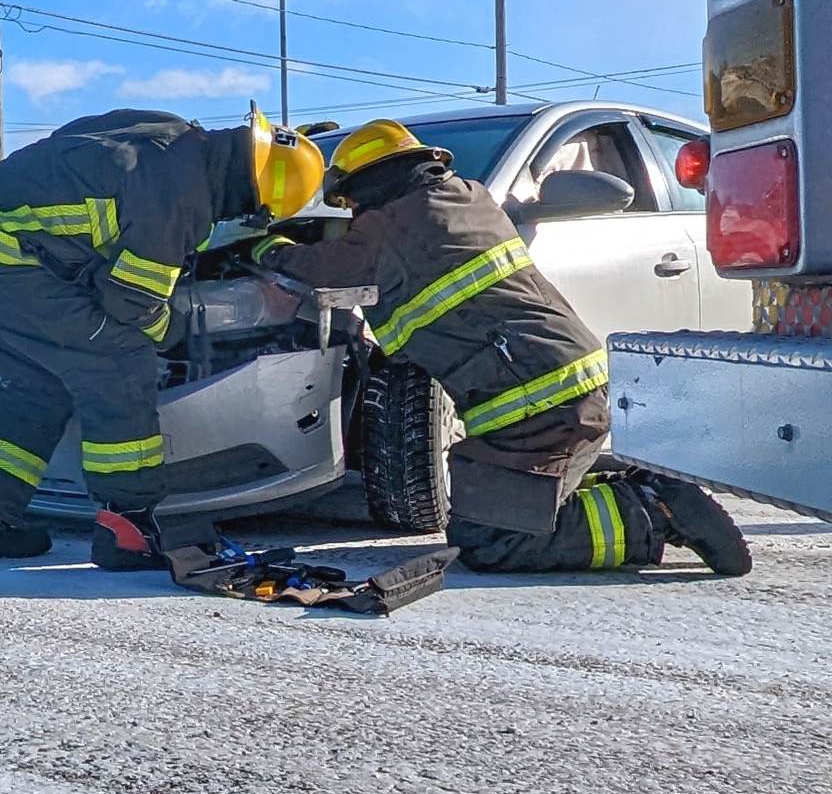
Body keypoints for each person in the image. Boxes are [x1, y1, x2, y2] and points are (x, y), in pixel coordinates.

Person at [257, 118, 749, 576]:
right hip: (551, 395)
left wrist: (265, 247)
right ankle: (635, 491)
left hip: (539, 406)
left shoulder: (393, 227)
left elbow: (324, 268)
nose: (352, 214)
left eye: (350, 201)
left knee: (492, 543)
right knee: (478, 517)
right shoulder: (468, 199)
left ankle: (656, 514)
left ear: (368, 184)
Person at [0, 108, 324, 567]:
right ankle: (127, 527)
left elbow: (70, 136)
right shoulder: (180, 195)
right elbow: (132, 304)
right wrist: (178, 334)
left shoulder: (168, 133)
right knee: (119, 363)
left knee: (41, 382)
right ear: (252, 192)